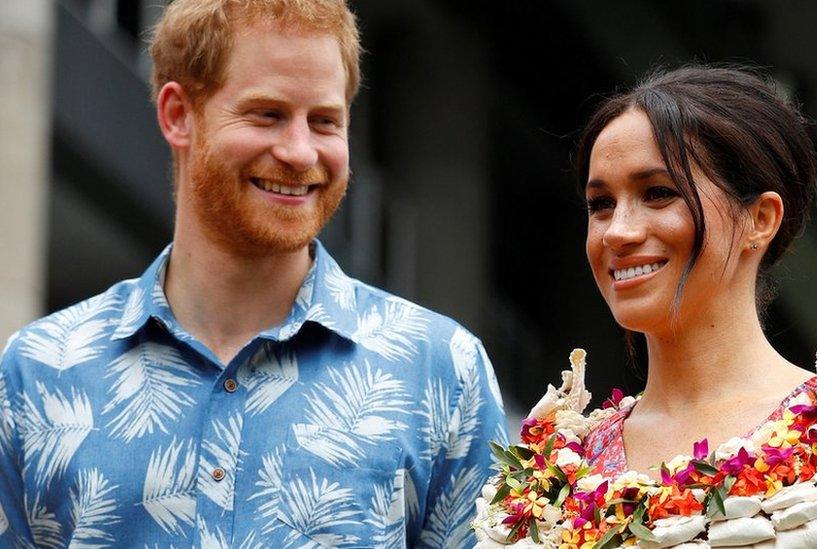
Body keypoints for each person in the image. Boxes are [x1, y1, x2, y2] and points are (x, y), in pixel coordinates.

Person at [0, 1, 505, 547]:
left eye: (325, 121)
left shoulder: (442, 372)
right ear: (177, 114)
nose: (299, 150)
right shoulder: (37, 372)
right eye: (267, 114)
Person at [574, 66, 817, 545]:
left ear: (760, 219)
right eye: (601, 204)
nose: (617, 231)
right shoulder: (562, 469)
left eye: (658, 194)